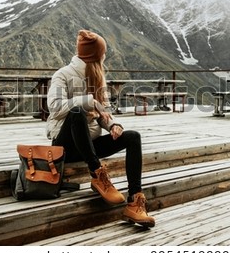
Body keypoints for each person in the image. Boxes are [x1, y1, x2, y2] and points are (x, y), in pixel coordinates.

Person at [46, 29, 155, 228]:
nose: (105, 57)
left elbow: (104, 112)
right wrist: (90, 101)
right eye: (102, 53)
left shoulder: (97, 77)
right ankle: (98, 174)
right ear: (95, 55)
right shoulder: (62, 75)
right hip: (65, 147)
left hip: (90, 144)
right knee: (77, 112)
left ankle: (134, 201)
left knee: (133, 137)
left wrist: (113, 125)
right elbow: (53, 107)